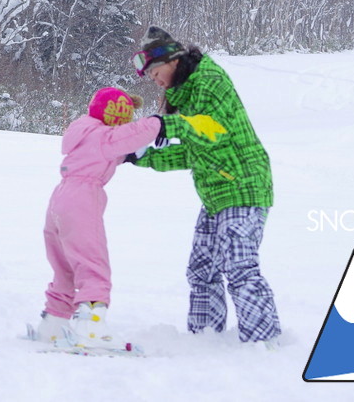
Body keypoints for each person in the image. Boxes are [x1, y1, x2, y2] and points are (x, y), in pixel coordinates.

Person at [31, 86, 229, 349]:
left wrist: (132, 155)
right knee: (93, 263)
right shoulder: (105, 137)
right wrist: (160, 123)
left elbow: (115, 148)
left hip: (59, 199)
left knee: (65, 265)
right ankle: (91, 329)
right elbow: (134, 133)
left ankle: (53, 325)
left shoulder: (84, 129)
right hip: (82, 200)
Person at [128, 26, 281, 345]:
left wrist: (162, 125)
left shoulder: (209, 81)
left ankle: (265, 344)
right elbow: (192, 150)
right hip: (216, 194)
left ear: (172, 61)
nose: (154, 79)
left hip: (244, 186)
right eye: (150, 75)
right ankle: (205, 342)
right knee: (202, 270)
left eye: (155, 71)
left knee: (239, 267)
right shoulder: (183, 94)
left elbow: (212, 131)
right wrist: (140, 156)